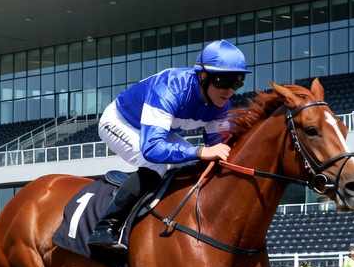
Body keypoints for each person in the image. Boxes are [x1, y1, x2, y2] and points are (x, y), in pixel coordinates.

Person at [87, 40, 249, 252]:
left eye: (236, 82)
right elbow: (152, 148)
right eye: (222, 82)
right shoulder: (170, 87)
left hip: (157, 130)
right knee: (156, 164)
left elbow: (217, 147)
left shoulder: (221, 104)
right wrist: (200, 151)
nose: (229, 91)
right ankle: (106, 227)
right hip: (120, 121)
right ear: (203, 75)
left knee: (193, 163)